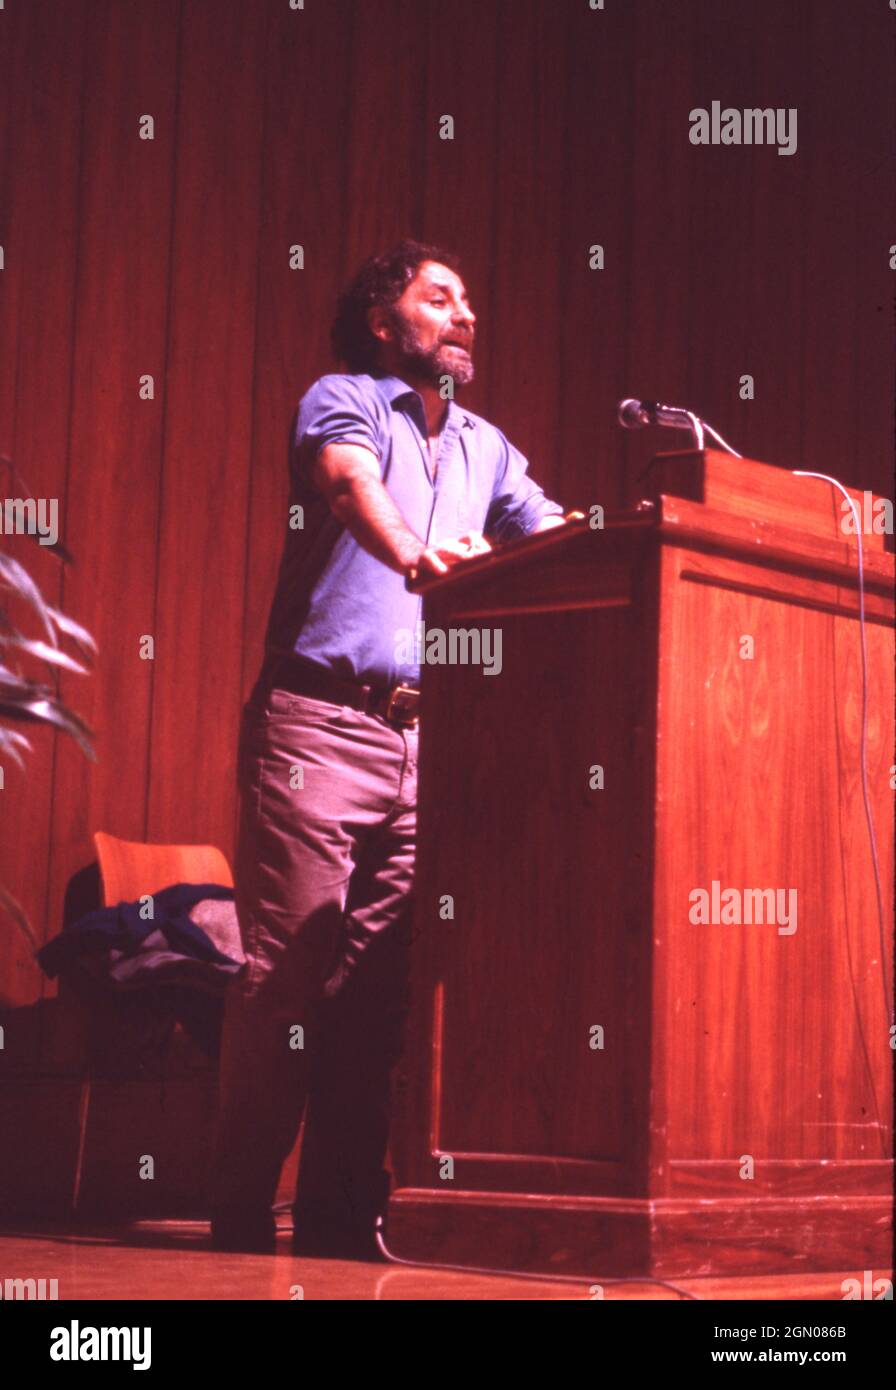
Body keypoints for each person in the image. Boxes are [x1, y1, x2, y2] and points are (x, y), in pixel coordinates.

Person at [209, 239, 570, 1257]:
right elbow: (346, 486)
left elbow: (551, 538)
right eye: (439, 298)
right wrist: (415, 554)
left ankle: (334, 1211)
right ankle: (238, 1211)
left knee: (375, 991)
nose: (464, 317)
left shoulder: (486, 449)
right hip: (318, 724)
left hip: (428, 742)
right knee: (286, 969)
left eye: (470, 304)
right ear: (382, 318)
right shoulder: (345, 397)